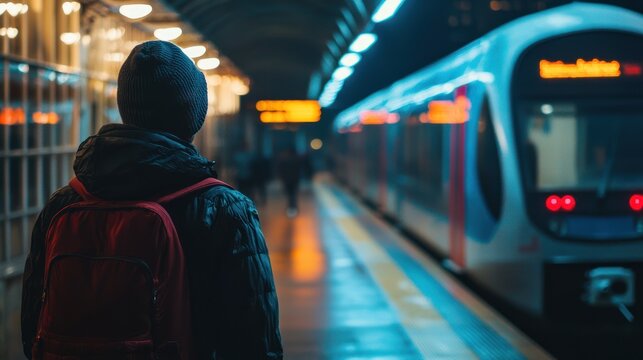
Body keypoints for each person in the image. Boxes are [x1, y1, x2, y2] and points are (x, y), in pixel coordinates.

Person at [21, 41, 283, 359]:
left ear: (126, 107)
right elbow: (253, 340)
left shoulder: (62, 205)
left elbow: (33, 321)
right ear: (193, 114)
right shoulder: (224, 209)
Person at [277, 147, 301, 217]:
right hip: (294, 179)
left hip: (286, 180)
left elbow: (280, 170)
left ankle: (290, 207)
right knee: (293, 193)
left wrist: (281, 178)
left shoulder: (284, 160)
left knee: (289, 193)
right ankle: (293, 207)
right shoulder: (296, 160)